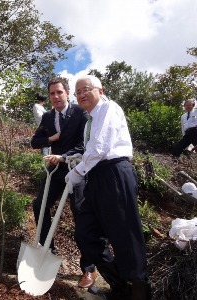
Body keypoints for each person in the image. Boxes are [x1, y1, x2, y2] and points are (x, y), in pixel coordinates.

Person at [65, 75, 151, 299]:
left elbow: (101, 148)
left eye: (86, 89)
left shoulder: (109, 108)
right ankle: (120, 286)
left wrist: (77, 172)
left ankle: (139, 293)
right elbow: (92, 149)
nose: (82, 94)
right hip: (96, 176)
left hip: (115, 173)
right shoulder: (91, 119)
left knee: (125, 235)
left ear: (100, 90)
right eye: (78, 92)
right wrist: (78, 161)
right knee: (86, 234)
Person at [30, 77, 94, 287]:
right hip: (56, 169)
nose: (56, 97)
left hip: (77, 168)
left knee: (80, 214)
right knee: (39, 205)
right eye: (52, 94)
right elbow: (35, 142)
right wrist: (52, 138)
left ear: (67, 93)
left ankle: (88, 268)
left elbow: (84, 145)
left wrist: (64, 156)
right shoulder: (48, 117)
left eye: (59, 92)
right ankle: (48, 250)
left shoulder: (80, 113)